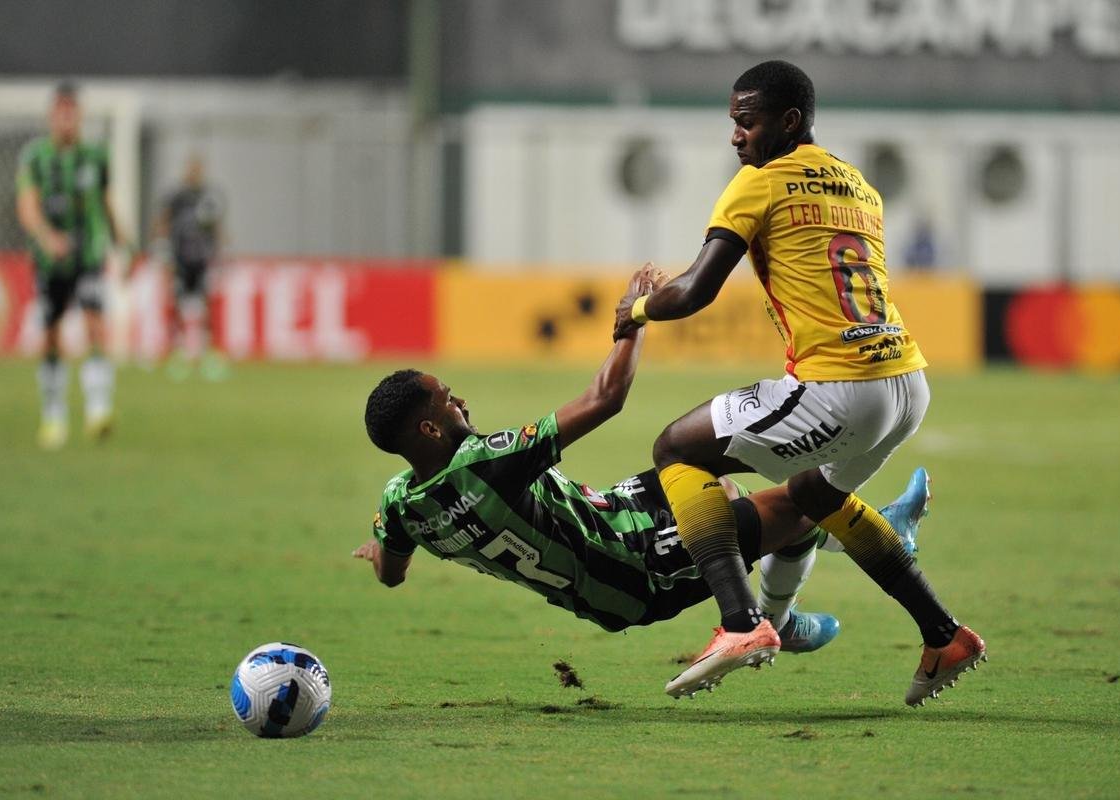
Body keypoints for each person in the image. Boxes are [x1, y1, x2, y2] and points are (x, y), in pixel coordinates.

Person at [612, 60, 984, 705]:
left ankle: (740, 624)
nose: (736, 137)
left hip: (841, 387)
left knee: (675, 448)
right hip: (905, 383)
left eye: (746, 122)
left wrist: (636, 311)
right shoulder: (858, 185)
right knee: (810, 496)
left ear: (788, 121)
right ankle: (943, 633)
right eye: (732, 122)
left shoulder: (759, 183)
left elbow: (696, 291)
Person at [356, 266, 932, 678]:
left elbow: (390, 573)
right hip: (628, 566)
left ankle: (791, 597)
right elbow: (605, 398)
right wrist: (632, 317)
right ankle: (786, 612)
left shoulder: (401, 506)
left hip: (605, 521)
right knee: (795, 504)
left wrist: (379, 548)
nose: (462, 405)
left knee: (704, 472)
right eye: (449, 402)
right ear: (430, 430)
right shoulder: (484, 463)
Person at [16, 81, 128, 449]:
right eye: (60, 112)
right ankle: (54, 414)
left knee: (96, 323)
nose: (66, 118)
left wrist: (121, 240)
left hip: (90, 254)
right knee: (51, 335)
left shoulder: (96, 155)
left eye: (72, 111)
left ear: (79, 116)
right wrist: (48, 238)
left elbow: (106, 200)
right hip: (51, 260)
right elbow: (27, 206)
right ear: (52, 116)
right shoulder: (34, 157)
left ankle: (98, 408)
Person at [155, 154, 228, 381]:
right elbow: (163, 222)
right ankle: (179, 352)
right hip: (180, 259)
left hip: (202, 260)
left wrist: (221, 252)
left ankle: (206, 354)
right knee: (178, 304)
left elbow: (217, 227)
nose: (194, 172)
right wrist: (161, 249)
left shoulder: (209, 196)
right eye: (192, 168)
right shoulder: (176, 196)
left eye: (198, 168)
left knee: (205, 305)